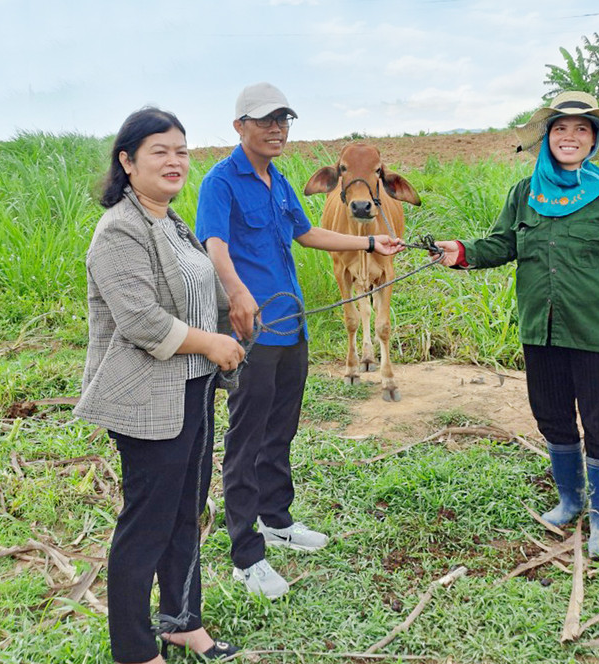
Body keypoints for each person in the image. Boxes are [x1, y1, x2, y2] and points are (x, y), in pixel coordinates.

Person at [195, 82, 403, 598]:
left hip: (293, 324)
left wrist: (371, 240)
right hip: (251, 326)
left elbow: (307, 234)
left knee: (281, 425)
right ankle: (246, 554)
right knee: (246, 437)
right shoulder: (222, 180)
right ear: (239, 126)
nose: (275, 129)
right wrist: (237, 293)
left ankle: (277, 519)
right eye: (264, 120)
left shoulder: (280, 181)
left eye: (283, 120)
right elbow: (214, 243)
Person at [433, 91, 599, 557]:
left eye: (581, 129)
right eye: (561, 128)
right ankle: (570, 499)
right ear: (546, 139)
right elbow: (501, 244)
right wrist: (460, 252)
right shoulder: (525, 194)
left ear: (594, 140)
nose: (570, 137)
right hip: (542, 329)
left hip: (596, 331)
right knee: (551, 416)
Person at [73, 108, 244, 663]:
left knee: (186, 511)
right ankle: (132, 647)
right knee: (146, 522)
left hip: (191, 390)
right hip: (147, 398)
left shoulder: (171, 223)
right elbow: (143, 321)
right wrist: (211, 343)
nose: (175, 161)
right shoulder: (119, 229)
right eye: (159, 151)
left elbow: (199, 292)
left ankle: (182, 623)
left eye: (182, 151)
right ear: (127, 162)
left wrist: (234, 311)